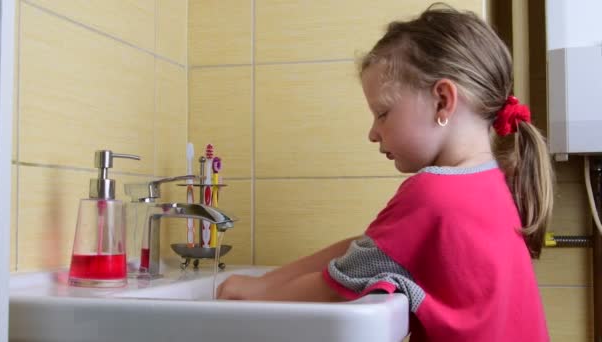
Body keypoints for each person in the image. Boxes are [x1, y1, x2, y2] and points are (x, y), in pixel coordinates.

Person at [217, 4, 553, 341]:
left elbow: (337, 285)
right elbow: (366, 249)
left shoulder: (433, 193)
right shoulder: (492, 183)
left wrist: (254, 294)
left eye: (383, 112)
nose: (373, 133)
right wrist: (261, 283)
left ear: (442, 100)